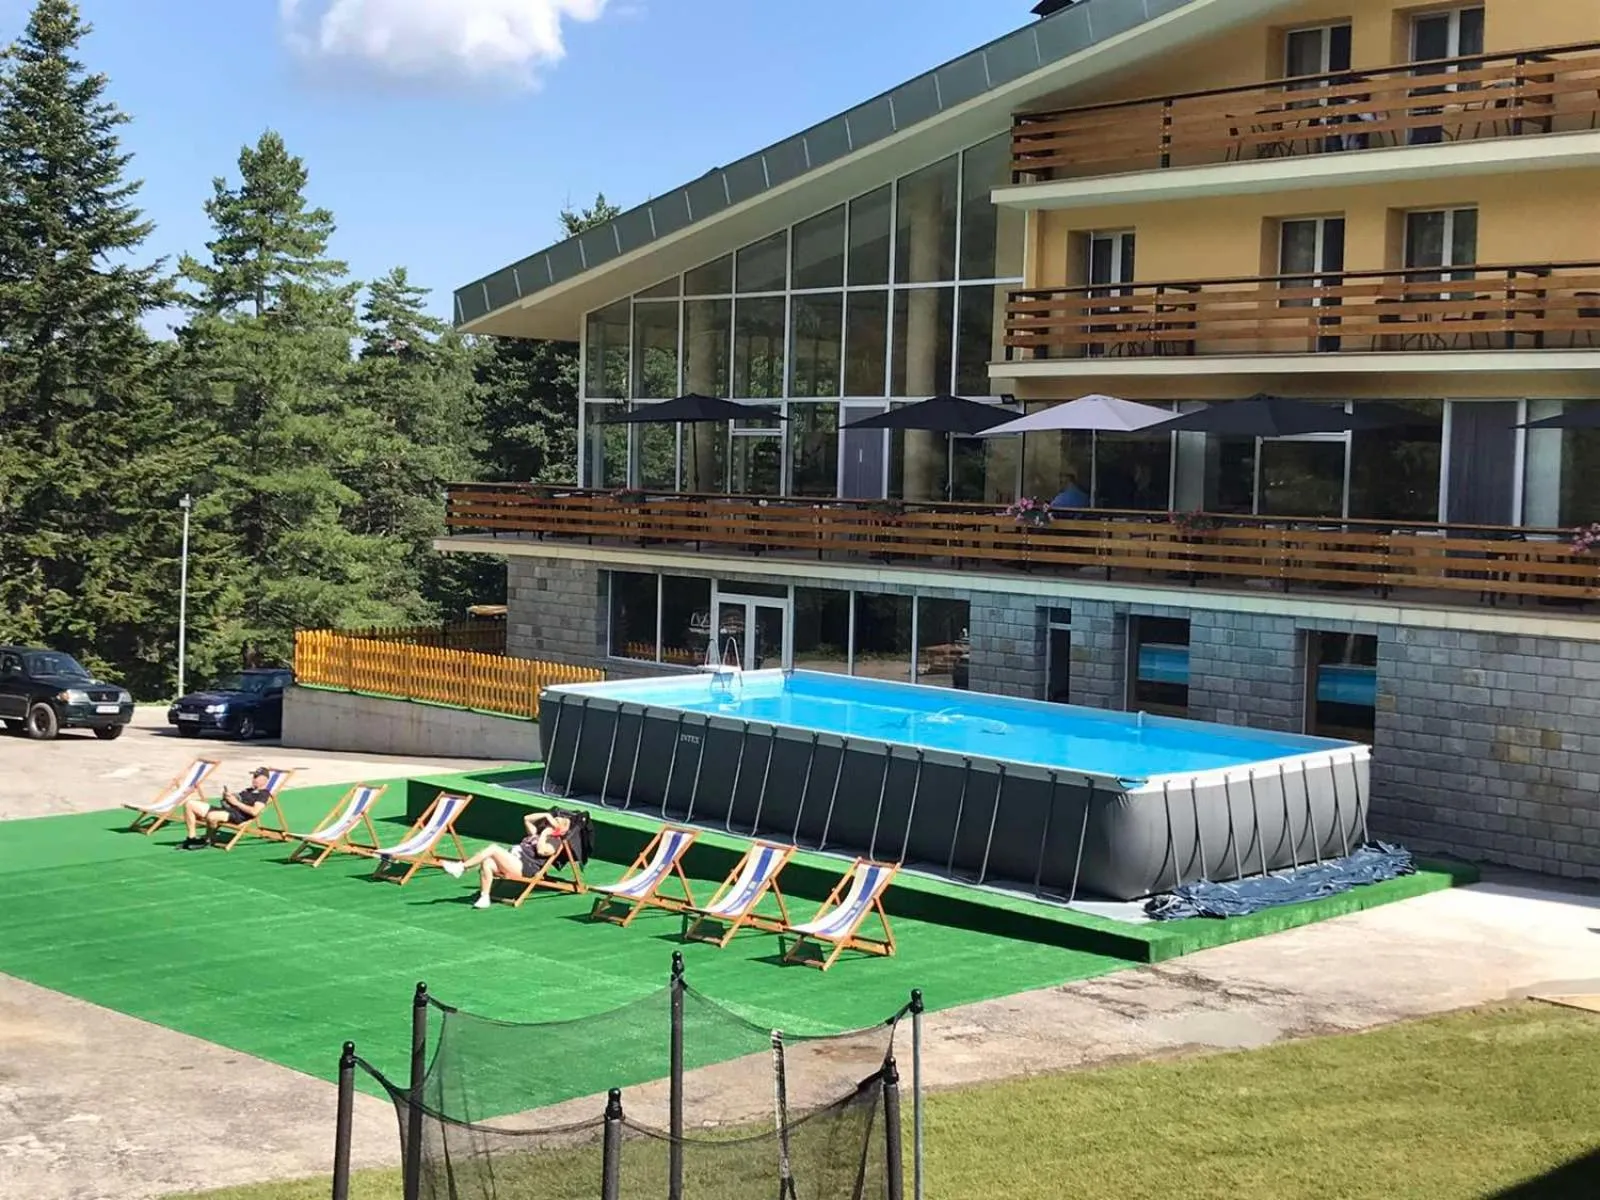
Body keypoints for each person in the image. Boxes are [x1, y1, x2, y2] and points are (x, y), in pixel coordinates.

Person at [442, 811, 574, 908]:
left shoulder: (555, 842)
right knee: (487, 862)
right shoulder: (535, 834)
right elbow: (527, 819)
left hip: (525, 867)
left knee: (493, 848)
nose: (550, 823)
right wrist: (546, 815)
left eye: (555, 823)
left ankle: (461, 867)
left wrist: (545, 834)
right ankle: (484, 897)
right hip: (513, 861)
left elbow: (541, 851)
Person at [178, 767, 274, 849]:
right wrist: (228, 796)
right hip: (226, 810)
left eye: (256, 777)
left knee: (212, 816)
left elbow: (254, 812)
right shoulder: (248, 790)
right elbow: (236, 798)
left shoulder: (263, 794)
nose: (253, 779)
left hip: (238, 816)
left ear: (264, 779)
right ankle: (192, 838)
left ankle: (207, 839)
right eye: (253, 776)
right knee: (189, 804)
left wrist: (236, 803)